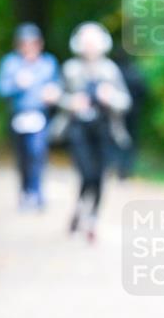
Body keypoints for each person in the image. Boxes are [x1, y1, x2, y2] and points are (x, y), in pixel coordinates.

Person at [53, 22, 131, 243]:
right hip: (78, 128)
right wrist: (72, 103)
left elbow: (125, 101)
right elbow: (57, 96)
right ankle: (81, 209)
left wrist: (110, 97)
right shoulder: (70, 69)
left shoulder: (110, 70)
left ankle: (91, 217)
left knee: (100, 176)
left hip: (105, 129)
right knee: (86, 172)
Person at [0, 23, 61, 210]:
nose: (29, 47)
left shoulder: (48, 63)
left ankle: (37, 192)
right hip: (19, 116)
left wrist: (53, 93)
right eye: (25, 43)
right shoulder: (10, 63)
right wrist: (17, 84)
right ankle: (25, 192)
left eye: (33, 43)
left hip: (40, 115)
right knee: (23, 157)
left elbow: (57, 86)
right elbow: (0, 89)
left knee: (37, 153)